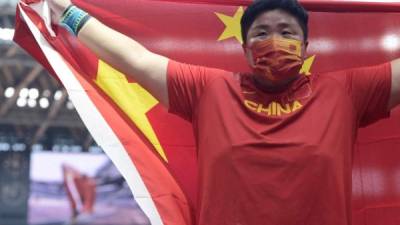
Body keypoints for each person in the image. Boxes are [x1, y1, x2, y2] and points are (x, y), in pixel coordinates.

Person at [47, 0, 400, 224]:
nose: (274, 41)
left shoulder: (345, 93)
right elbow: (136, 60)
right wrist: (66, 11)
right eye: (262, 33)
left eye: (286, 32)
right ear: (246, 50)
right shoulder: (209, 89)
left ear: (305, 47)